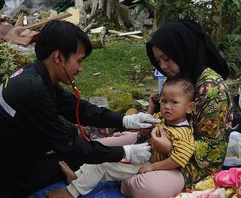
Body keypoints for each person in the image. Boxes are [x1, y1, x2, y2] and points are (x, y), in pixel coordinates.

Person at [0, 20, 160, 197]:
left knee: (71, 135)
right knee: (77, 153)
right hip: (3, 183)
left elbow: (79, 109)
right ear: (58, 57)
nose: (81, 68)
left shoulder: (34, 76)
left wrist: (125, 120)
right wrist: (125, 152)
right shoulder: (34, 92)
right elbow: (70, 147)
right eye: (78, 61)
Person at [117, 19, 233, 197]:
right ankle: (122, 170)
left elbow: (212, 150)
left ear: (183, 50)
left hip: (190, 162)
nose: (162, 66)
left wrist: (170, 147)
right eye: (158, 60)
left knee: (145, 187)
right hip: (159, 142)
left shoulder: (211, 89)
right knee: (104, 145)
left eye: (167, 59)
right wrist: (151, 116)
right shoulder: (178, 76)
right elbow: (163, 119)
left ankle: (122, 174)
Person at [48, 77, 196, 198]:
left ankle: (71, 192)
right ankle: (77, 176)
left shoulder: (184, 133)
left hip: (148, 162)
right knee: (99, 152)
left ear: (189, 107)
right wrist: (151, 109)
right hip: (139, 153)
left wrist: (152, 167)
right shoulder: (163, 118)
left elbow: (178, 160)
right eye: (164, 101)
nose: (167, 106)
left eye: (174, 102)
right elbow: (147, 123)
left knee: (103, 164)